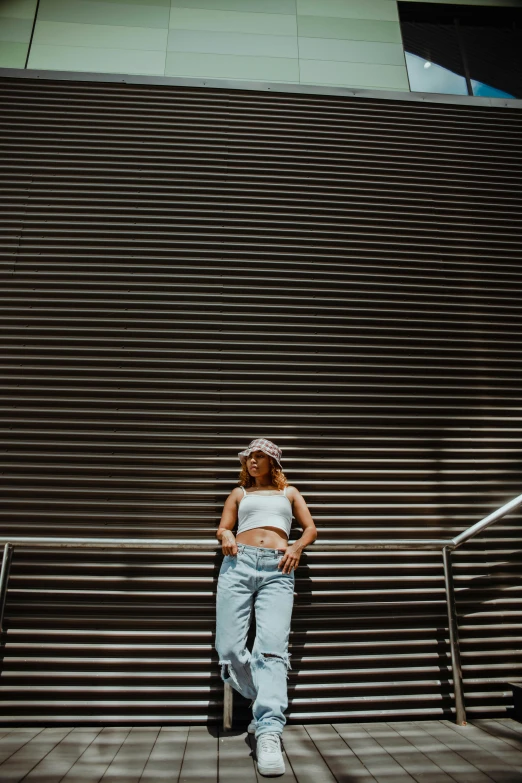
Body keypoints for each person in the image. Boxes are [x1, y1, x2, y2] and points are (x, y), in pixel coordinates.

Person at [215, 438, 317, 777]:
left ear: (273, 462)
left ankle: (269, 728)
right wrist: (226, 536)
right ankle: (264, 697)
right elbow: (223, 527)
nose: (252, 463)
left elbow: (311, 528)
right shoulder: (239, 494)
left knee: (272, 651)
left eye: (259, 457)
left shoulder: (289, 493)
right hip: (238, 565)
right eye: (249, 458)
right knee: (228, 649)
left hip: (279, 569)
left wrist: (298, 546)